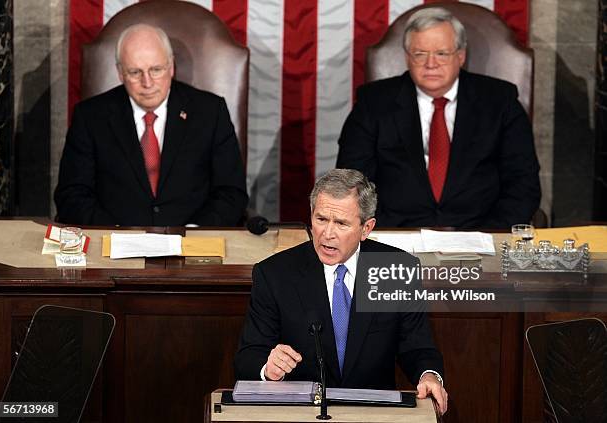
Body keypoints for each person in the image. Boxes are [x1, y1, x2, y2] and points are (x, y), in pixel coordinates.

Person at [234, 169, 448, 414]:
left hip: (374, 413)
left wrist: (429, 376)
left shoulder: (394, 271)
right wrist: (267, 366)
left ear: (366, 228)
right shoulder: (275, 274)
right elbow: (247, 357)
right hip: (300, 413)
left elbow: (418, 347)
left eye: (341, 223)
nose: (328, 234)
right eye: (321, 219)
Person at [336, 7, 541, 229]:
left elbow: (523, 183)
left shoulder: (500, 102)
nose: (431, 63)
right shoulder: (373, 103)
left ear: (460, 56)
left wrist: (489, 235)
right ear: (407, 58)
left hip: (480, 235)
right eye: (420, 53)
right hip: (395, 235)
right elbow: (352, 183)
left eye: (442, 53)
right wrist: (385, 235)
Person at [55, 24, 248, 226]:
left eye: (156, 70)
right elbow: (72, 195)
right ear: (120, 73)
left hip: (192, 245)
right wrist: (115, 234)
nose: (147, 83)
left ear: (171, 67)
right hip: (114, 246)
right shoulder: (90, 117)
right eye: (135, 72)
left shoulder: (210, 112)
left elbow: (231, 192)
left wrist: (195, 234)